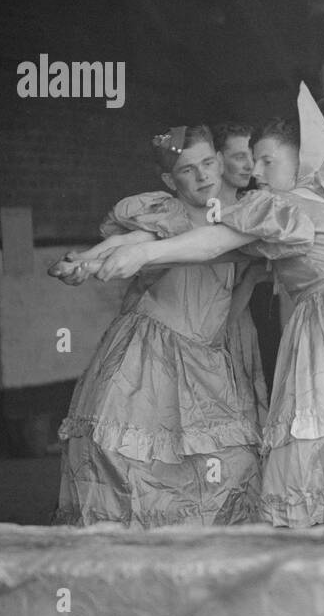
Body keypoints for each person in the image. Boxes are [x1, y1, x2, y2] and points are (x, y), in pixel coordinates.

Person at [96, 86, 324, 528]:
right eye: (252, 161)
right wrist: (129, 249)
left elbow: (216, 241)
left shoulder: (288, 206)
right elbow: (216, 245)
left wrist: (143, 255)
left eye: (267, 160)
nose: (255, 170)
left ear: (301, 161)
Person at [49, 125, 263, 527]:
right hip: (150, 350)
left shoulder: (243, 214)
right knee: (130, 461)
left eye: (207, 163)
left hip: (206, 355)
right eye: (187, 170)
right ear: (170, 180)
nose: (202, 176)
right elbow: (133, 241)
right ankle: (133, 563)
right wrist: (86, 260)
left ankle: (196, 566)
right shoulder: (170, 214)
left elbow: (239, 287)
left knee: (229, 463)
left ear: (219, 161)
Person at [212, 121, 271, 428]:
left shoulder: (250, 207)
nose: (250, 165)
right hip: (216, 332)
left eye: (254, 156)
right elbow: (216, 317)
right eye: (239, 157)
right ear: (218, 160)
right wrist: (250, 280)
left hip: (244, 326)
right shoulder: (211, 213)